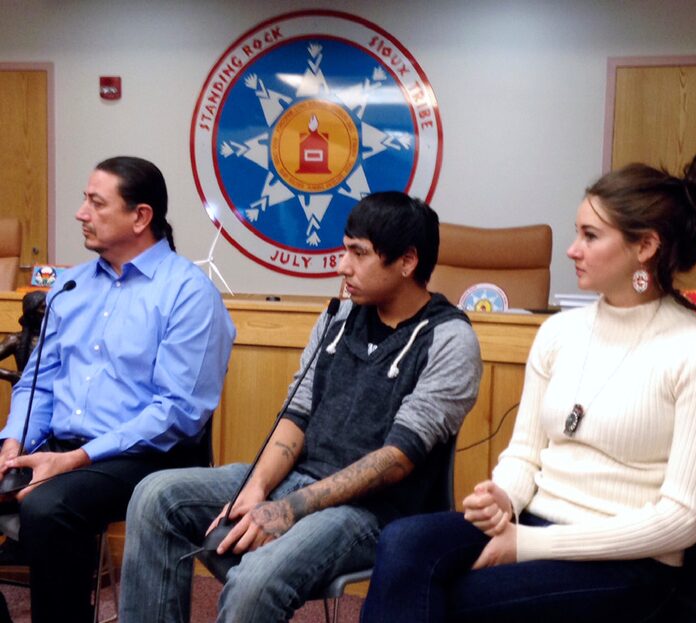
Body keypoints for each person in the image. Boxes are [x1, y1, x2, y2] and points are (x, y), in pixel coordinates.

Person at [361, 151, 696, 623]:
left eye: (590, 236)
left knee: (457, 598)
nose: (571, 249)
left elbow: (681, 521)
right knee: (402, 543)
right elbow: (524, 455)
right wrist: (502, 498)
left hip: (629, 562)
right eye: (576, 232)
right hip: (533, 521)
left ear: (645, 247)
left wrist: (529, 544)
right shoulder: (559, 333)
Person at [118, 191, 483, 622]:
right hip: (297, 479)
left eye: (358, 254)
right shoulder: (338, 318)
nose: (342, 266)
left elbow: (396, 460)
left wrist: (291, 508)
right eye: (344, 249)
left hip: (374, 511)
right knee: (155, 496)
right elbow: (297, 415)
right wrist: (256, 487)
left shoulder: (449, 340)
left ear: (407, 261)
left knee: (256, 581)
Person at [0, 156, 236, 623]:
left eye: (95, 202)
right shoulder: (72, 284)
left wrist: (73, 460)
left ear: (140, 216)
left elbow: (176, 413)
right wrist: (14, 442)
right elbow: (39, 381)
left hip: (146, 455)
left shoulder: (187, 293)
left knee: (49, 508)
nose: (80, 213)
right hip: (59, 446)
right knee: (39, 491)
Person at [0, 290, 46, 386]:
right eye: (43, 308)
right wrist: (11, 375)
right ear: (31, 313)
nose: (47, 312)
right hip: (26, 390)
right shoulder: (16, 339)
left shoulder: (56, 338)